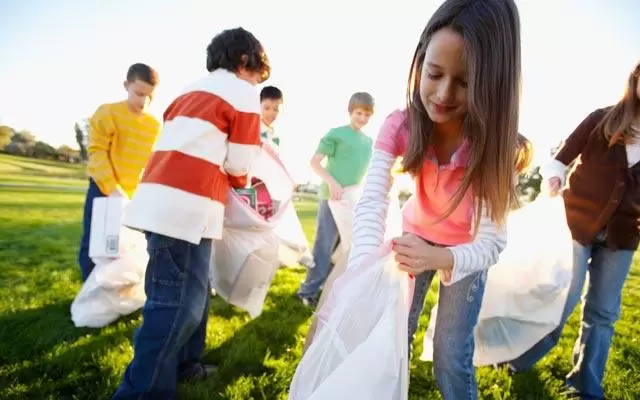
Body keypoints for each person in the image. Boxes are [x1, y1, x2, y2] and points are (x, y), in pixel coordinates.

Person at [345, 0, 522, 398]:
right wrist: (360, 273)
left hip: (465, 251)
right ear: (420, 62)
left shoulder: (493, 146)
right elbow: (373, 198)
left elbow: (492, 242)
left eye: (464, 82)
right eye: (435, 74)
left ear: (491, 83)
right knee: (392, 336)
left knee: (449, 354)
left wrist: (443, 258)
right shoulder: (400, 125)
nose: (443, 94)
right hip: (415, 238)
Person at [112, 27, 270, 399]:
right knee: (175, 306)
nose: (257, 84)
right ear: (245, 62)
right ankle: (140, 391)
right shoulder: (243, 93)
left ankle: (186, 365)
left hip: (164, 205)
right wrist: (244, 179)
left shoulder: (188, 90)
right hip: (184, 211)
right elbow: (240, 163)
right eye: (258, 76)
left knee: (192, 294)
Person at [505, 60, 640, 400]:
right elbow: (560, 158)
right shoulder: (602, 119)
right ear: (635, 81)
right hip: (577, 222)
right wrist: (553, 176)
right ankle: (516, 360)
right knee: (561, 302)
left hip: (622, 237)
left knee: (603, 313)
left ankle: (584, 386)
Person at [78, 63, 161, 281]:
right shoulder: (107, 113)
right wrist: (112, 188)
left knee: (123, 248)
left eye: (149, 96)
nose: (143, 101)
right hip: (103, 189)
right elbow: (97, 153)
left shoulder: (153, 124)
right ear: (126, 85)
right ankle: (92, 291)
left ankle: (117, 290)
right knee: (95, 243)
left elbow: (151, 162)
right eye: (139, 93)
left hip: (132, 196)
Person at [296, 92, 375, 307]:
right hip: (331, 198)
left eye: (367, 114)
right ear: (350, 111)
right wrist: (332, 183)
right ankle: (307, 290)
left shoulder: (368, 142)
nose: (362, 118)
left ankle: (327, 286)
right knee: (324, 244)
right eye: (359, 112)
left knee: (342, 247)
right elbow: (315, 163)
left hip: (351, 201)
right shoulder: (337, 134)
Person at [260, 85, 283, 151]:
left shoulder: (276, 136)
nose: (271, 113)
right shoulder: (255, 129)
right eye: (267, 108)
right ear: (259, 105)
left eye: (275, 109)